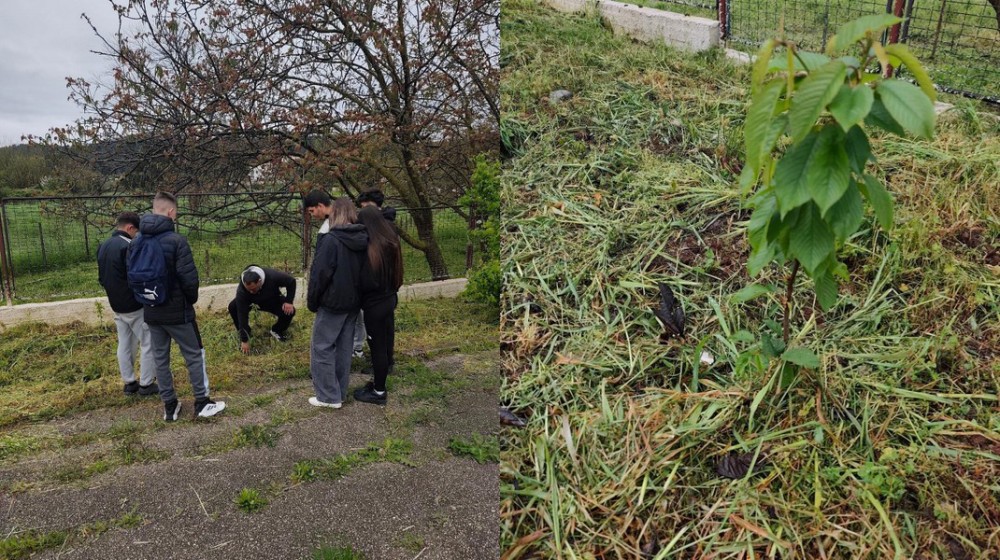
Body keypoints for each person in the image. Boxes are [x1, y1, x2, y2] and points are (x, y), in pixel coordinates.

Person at [133, 192, 225, 421]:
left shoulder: (136, 241)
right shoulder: (177, 241)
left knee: (160, 358)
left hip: (151, 311)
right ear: (171, 212)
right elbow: (189, 279)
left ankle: (170, 406)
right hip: (178, 312)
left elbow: (132, 278)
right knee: (194, 355)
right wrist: (189, 301)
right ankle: (202, 403)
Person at [304, 191, 368, 409]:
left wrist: (312, 301)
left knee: (321, 347)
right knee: (343, 347)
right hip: (353, 303)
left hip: (332, 303)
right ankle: (339, 392)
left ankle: (328, 397)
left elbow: (319, 275)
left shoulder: (331, 240)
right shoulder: (362, 238)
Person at [97, 211, 158, 397]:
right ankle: (147, 384)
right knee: (148, 341)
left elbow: (101, 278)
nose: (137, 235)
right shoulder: (129, 246)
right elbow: (137, 276)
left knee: (124, 343)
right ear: (130, 228)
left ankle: (129, 382)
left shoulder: (104, 245)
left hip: (116, 304)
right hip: (134, 305)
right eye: (136, 232)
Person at [353, 206, 404, 406]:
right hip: (389, 299)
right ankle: (377, 383)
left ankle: (379, 392)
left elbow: (367, 282)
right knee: (382, 345)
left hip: (375, 306)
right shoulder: (390, 243)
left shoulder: (371, 249)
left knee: (377, 348)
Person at [352, 189, 397, 358]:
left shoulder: (383, 227)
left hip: (381, 289)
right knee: (385, 326)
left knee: (381, 329)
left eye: (366, 207)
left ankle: (382, 363)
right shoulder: (386, 224)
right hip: (387, 288)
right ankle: (385, 360)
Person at [228, 265, 297, 354]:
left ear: (259, 281)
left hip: (271, 299)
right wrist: (244, 340)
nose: (251, 292)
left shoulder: (272, 276)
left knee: (290, 311)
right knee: (233, 307)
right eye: (248, 290)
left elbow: (291, 281)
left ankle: (277, 330)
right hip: (251, 302)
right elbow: (242, 315)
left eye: (253, 289)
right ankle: (246, 332)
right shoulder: (242, 291)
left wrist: (289, 301)